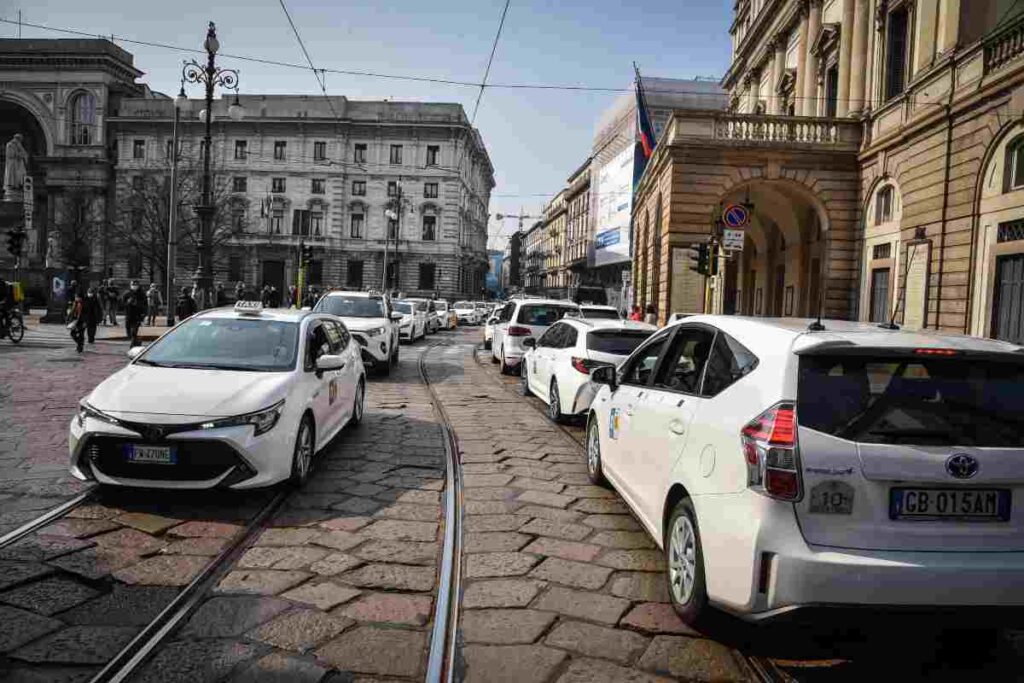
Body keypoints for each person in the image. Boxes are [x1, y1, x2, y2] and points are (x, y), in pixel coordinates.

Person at [122, 281, 146, 347]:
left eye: (136, 285)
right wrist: (128, 302)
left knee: (134, 331)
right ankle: (137, 341)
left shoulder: (141, 294)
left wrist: (143, 314)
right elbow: (122, 304)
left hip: (137, 315)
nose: (134, 286)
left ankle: (132, 345)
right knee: (128, 332)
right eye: (133, 284)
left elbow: (145, 305)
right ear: (130, 285)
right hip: (129, 315)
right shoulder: (127, 294)